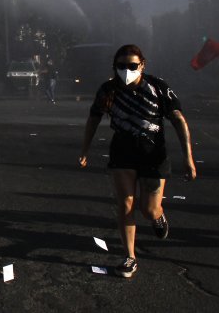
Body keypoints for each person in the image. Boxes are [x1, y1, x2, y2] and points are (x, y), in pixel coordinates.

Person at [79, 44, 197, 278]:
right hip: (122, 152)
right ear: (115, 67)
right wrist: (85, 150)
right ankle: (129, 257)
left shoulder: (158, 88)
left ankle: (157, 216)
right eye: (121, 66)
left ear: (142, 65)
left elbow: (178, 121)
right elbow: (93, 119)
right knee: (125, 205)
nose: (127, 70)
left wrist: (188, 158)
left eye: (132, 66)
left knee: (148, 209)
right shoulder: (108, 90)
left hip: (154, 154)